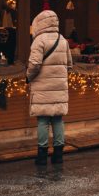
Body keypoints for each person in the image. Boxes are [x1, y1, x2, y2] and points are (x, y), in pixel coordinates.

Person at [27, 10, 73, 166]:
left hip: (42, 87)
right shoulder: (62, 40)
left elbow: (34, 64)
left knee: (43, 121)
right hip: (59, 87)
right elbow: (69, 65)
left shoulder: (39, 41)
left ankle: (42, 156)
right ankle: (58, 155)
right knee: (58, 120)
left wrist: (28, 77)